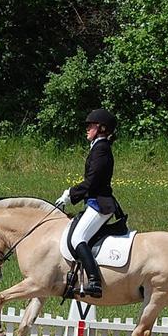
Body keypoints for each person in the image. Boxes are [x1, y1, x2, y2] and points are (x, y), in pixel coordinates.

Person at [55, 108, 121, 298]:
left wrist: (70, 194)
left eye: (91, 125)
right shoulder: (98, 147)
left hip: (101, 204)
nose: (87, 129)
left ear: (101, 128)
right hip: (94, 202)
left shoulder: (101, 149)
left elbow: (92, 182)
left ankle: (95, 282)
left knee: (77, 239)